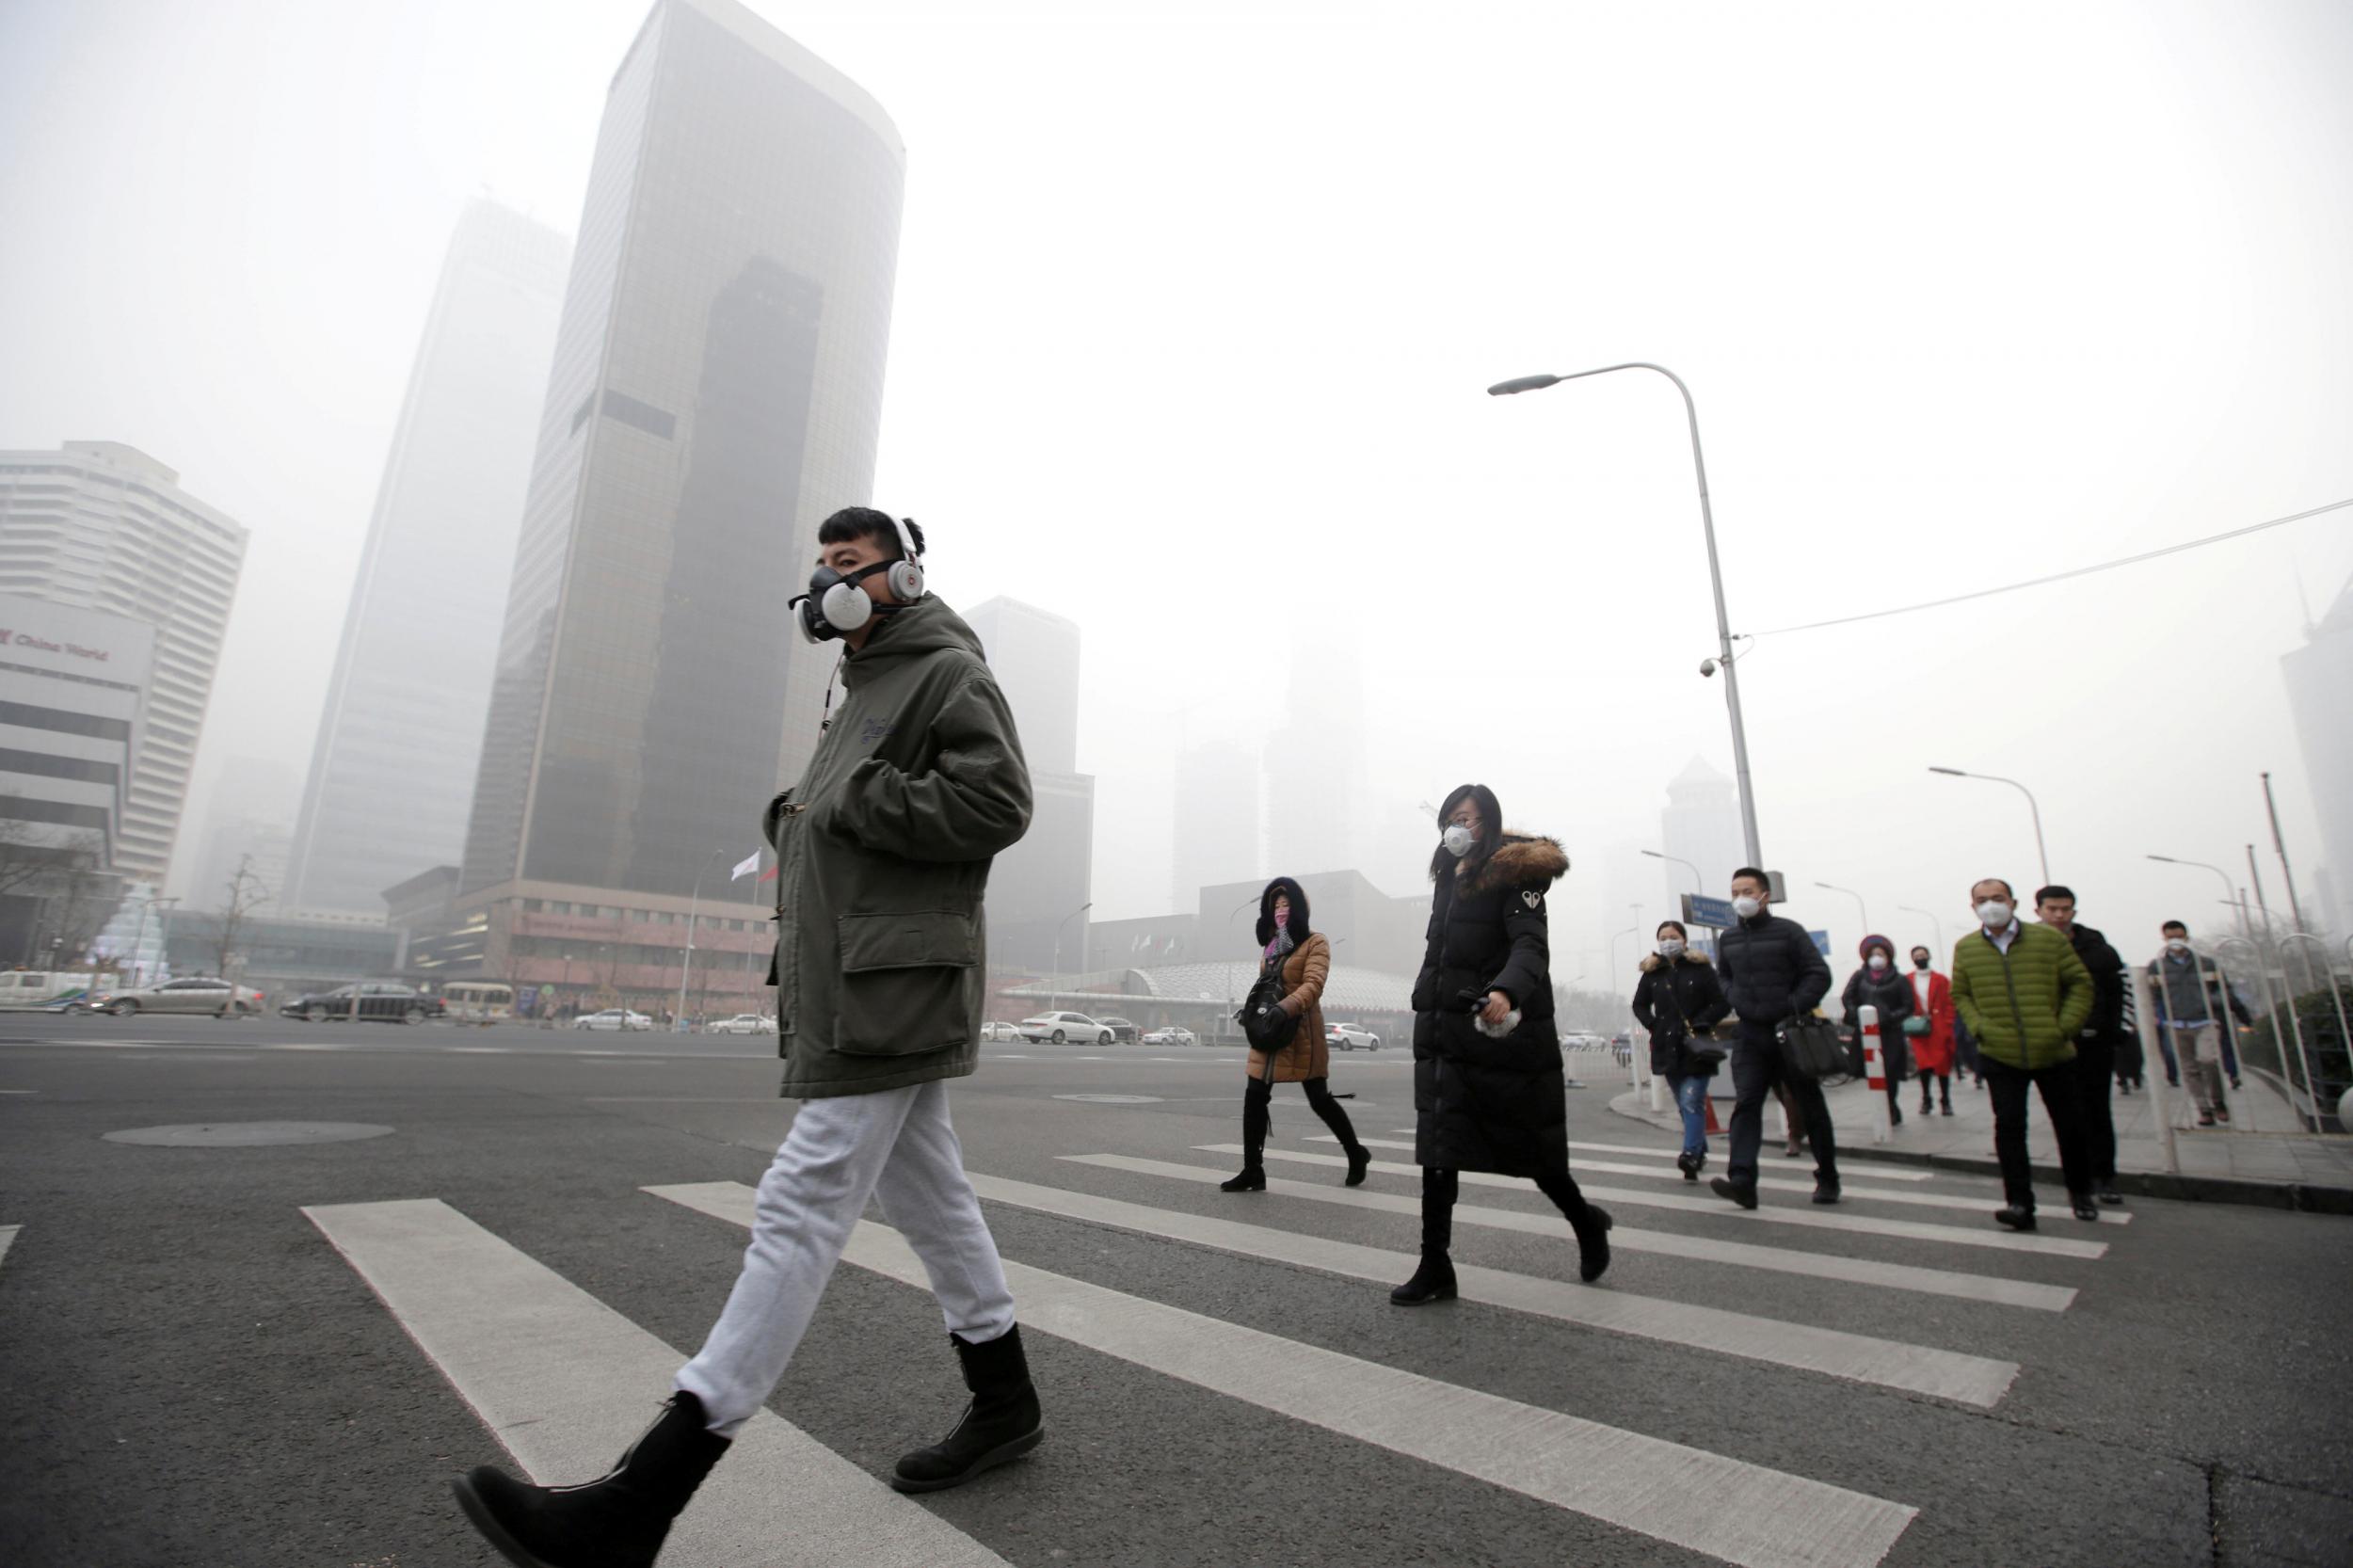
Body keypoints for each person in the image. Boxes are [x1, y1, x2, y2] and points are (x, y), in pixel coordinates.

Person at [453, 509, 1041, 1568]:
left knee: (802, 1199)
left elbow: (998, 801)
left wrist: (848, 796)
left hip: (892, 982)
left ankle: (645, 1498)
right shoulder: (865, 681)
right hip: (867, 976)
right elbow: (858, 812)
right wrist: (802, 812)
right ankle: (1006, 1402)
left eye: (851, 567)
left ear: (901, 575)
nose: (830, 585)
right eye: (822, 569)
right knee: (931, 1197)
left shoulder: (944, 668)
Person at [1394, 784, 1610, 1304]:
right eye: (1450, 818)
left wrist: (1505, 991)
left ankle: (1585, 1222)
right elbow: (1439, 953)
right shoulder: (1448, 876)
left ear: (1489, 822)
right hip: (1448, 1033)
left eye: (1467, 817)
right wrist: (1425, 997)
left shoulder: (1519, 873)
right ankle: (1435, 1265)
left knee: (1533, 1151)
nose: (1457, 827)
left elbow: (1531, 944)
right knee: (1440, 1146)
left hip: (1505, 1034)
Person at [1949, 877, 2097, 1229]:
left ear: (2013, 903)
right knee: (2010, 1129)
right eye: (1982, 900)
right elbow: (1961, 994)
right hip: (2000, 1051)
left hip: (2052, 1049)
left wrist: (2063, 1027)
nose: (1990, 905)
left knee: (2069, 1125)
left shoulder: (2048, 939)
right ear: (1974, 908)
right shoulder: (1967, 948)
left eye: (1997, 898)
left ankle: (2081, 1192)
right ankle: (2019, 1203)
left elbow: (2079, 983)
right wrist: (1980, 1027)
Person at [1222, 876, 1371, 1192]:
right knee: (1254, 1096)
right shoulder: (1271, 945)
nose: (1280, 910)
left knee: (1320, 1099)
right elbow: (1268, 985)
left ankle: (1356, 1153)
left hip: (1301, 1032)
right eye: (1276, 905)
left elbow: (1313, 984)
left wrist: (1285, 1008)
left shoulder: (1316, 942)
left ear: (1299, 907)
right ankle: (1253, 1169)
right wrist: (1252, 1011)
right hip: (1268, 1030)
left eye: (1286, 904)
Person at [1710, 867, 1841, 1208]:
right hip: (1750, 1035)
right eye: (1735, 892)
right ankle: (1742, 1181)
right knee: (1747, 1104)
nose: (1741, 898)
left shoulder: (1789, 932)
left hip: (1790, 1032)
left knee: (1809, 1105)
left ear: (1765, 896)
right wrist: (1733, 996)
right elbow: (1723, 976)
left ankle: (1827, 1177)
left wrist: (1792, 1005)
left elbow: (1818, 974)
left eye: (1748, 891)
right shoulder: (1729, 938)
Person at [2036, 886, 2127, 1204]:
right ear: (2039, 912)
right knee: (2067, 1114)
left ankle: (2106, 1176)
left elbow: (2119, 991)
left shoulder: (2098, 948)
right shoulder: (2030, 947)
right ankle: (2080, 1179)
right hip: (2054, 1043)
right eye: (2052, 909)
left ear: (2073, 910)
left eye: (2065, 909)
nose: (2059, 915)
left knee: (2098, 1109)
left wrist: (2116, 1030)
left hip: (2095, 1041)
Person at [1631, 920, 1731, 1179]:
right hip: (1667, 1047)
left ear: (1684, 940)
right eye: (1663, 937)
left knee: (1691, 1100)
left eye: (1673, 936)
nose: (1668, 941)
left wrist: (1703, 1020)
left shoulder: (1701, 969)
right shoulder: (1653, 972)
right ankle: (1699, 1151)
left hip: (1696, 1046)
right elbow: (1639, 1004)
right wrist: (1653, 1024)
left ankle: (1689, 1154)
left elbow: (1721, 1003)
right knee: (1684, 1103)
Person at [2146, 921, 2253, 1128]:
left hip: (2205, 1020)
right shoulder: (2156, 966)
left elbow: (2224, 991)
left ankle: (2218, 1101)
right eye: (2170, 938)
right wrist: (2155, 1018)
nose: (2175, 942)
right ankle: (2204, 1109)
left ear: (2187, 937)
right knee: (2189, 1068)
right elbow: (2153, 995)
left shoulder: (2206, 963)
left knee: (2208, 1060)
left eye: (2179, 936)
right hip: (2175, 1023)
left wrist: (2241, 1015)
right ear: (2164, 939)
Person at [1839, 936, 1916, 1126]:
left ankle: (1890, 1104)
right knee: (1871, 1071)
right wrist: (1857, 1014)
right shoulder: (1859, 977)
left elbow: (1908, 1006)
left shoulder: (1899, 980)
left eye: (1880, 954)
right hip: (1866, 1032)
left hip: (1890, 1033)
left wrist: (1889, 1017)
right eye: (1873, 954)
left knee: (1889, 1072)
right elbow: (1848, 997)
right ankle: (1883, 1106)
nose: (1877, 958)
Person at [1905, 944, 1958, 1115]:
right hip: (1919, 1029)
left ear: (1929, 956)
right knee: (1923, 1066)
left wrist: (1948, 1022)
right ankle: (1926, 1099)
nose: (1920, 958)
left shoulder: (1941, 980)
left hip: (1938, 1028)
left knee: (1942, 1065)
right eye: (1917, 955)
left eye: (1923, 954)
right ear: (1912, 959)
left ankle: (1946, 1100)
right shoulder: (1907, 980)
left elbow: (1950, 1003)